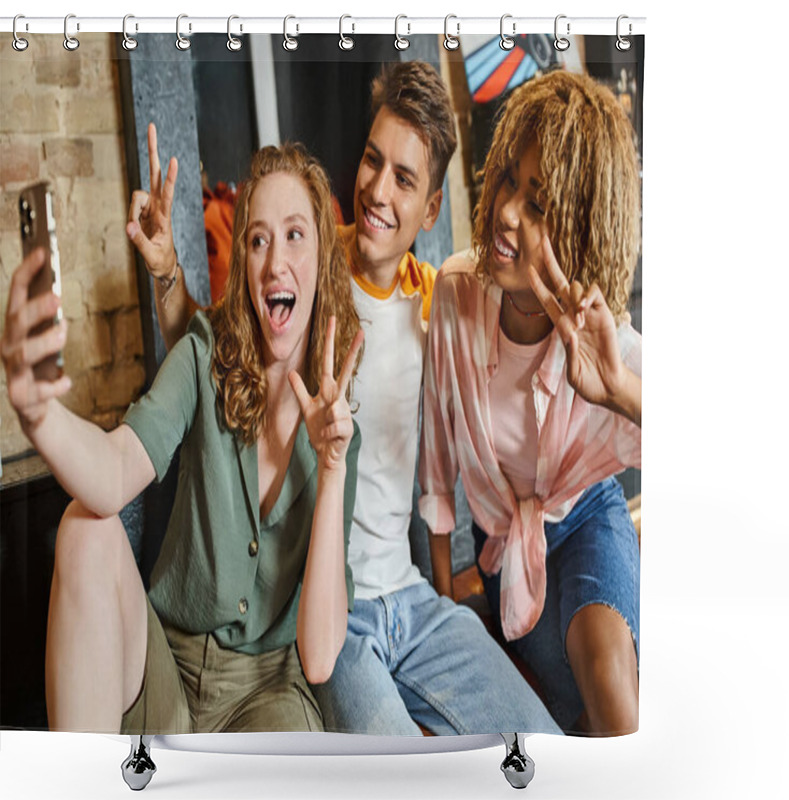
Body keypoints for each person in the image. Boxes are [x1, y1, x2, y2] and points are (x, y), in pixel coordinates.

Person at [128, 61, 560, 736]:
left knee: (545, 745)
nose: (378, 189)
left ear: (431, 209)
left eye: (405, 178)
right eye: (371, 160)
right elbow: (215, 349)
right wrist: (167, 277)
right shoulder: (300, 276)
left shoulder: (435, 306)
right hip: (329, 612)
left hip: (413, 601)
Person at [1, 143, 364, 734]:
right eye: (258, 239)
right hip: (162, 670)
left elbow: (320, 658)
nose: (275, 263)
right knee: (83, 530)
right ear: (244, 266)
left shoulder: (341, 433)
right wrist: (39, 413)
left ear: (323, 258)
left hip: (267, 698)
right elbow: (115, 471)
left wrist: (331, 469)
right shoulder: (202, 355)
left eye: (296, 235)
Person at [419, 69, 642, 736]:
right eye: (509, 180)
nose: (508, 211)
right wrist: (441, 611)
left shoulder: (599, 329)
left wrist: (616, 388)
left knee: (607, 670)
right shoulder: (456, 296)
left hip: (585, 517)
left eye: (540, 205)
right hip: (501, 547)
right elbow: (436, 474)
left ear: (578, 231)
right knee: (565, 716)